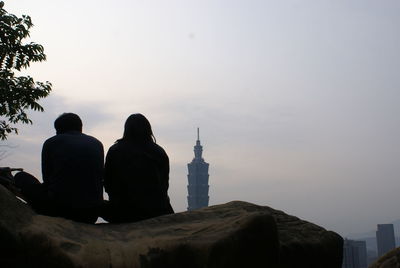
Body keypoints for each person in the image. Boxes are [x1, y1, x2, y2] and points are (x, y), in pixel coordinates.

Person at [14, 113, 104, 223]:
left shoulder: (51, 142)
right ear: (80, 127)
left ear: (58, 130)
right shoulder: (97, 143)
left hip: (59, 210)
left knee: (20, 176)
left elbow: (47, 179)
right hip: (91, 214)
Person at [103, 113, 174, 223]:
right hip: (157, 210)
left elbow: (108, 183)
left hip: (123, 211)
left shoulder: (115, 150)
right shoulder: (159, 152)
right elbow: (165, 184)